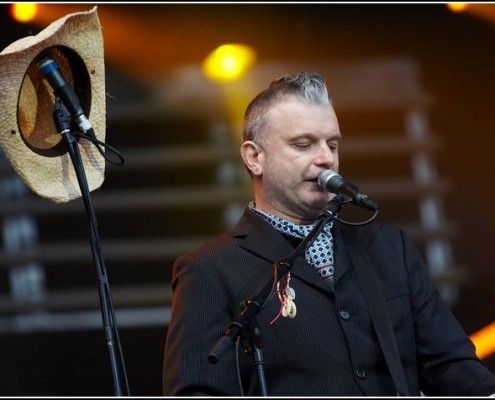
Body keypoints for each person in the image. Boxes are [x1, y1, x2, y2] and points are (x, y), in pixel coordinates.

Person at [162, 71, 495, 396]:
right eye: (303, 144)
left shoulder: (391, 249)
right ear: (254, 157)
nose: (325, 159)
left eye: (332, 145)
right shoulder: (210, 269)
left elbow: (451, 365)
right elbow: (196, 390)